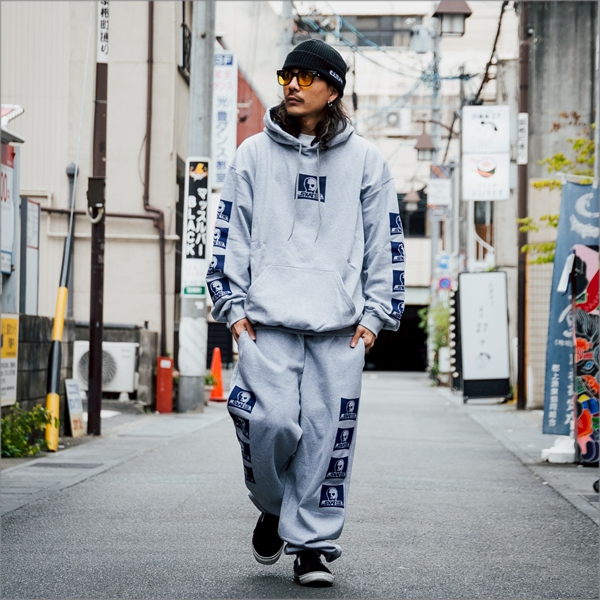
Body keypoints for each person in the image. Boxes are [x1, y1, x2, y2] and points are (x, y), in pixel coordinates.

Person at [206, 39, 405, 587]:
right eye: (286, 75)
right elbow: (230, 231)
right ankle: (275, 508)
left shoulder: (367, 161)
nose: (292, 85)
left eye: (306, 76)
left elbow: (384, 242)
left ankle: (313, 547)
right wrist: (232, 306)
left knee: (325, 438)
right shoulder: (252, 154)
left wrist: (375, 317)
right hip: (264, 323)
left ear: (333, 90)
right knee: (266, 422)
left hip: (339, 331)